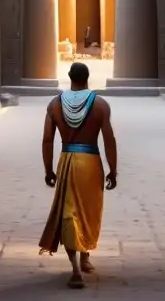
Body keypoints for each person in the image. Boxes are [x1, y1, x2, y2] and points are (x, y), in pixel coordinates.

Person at [38, 62, 118, 289]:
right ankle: (83, 258)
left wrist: (48, 169)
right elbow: (109, 139)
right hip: (91, 162)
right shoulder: (100, 105)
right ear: (88, 78)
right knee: (88, 211)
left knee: (68, 213)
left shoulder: (54, 105)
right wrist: (113, 169)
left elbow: (47, 140)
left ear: (70, 76)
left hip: (67, 161)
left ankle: (76, 266)